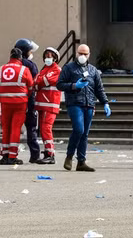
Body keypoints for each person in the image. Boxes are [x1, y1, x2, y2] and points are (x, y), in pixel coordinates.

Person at [56, 44, 110, 172]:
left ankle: (81, 162)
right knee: (79, 129)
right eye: (80, 53)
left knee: (84, 134)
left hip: (89, 104)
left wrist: (105, 102)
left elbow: (99, 89)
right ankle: (69, 156)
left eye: (85, 54)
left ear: (89, 55)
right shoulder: (69, 68)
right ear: (76, 53)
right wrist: (75, 85)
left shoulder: (93, 70)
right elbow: (59, 84)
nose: (83, 56)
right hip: (75, 103)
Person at [0, 47, 34, 165]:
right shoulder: (24, 69)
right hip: (20, 103)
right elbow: (31, 86)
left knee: (6, 128)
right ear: (20, 58)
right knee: (15, 129)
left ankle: (5, 155)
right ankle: (12, 155)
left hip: (5, 103)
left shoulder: (1, 69)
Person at [14, 39, 42, 163]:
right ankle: (35, 154)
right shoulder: (30, 65)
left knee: (14, 128)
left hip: (14, 99)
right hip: (29, 99)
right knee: (31, 128)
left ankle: (10, 154)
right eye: (30, 51)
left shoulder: (13, 63)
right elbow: (35, 80)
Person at [34, 47, 62, 164]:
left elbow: (42, 81)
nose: (47, 58)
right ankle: (47, 152)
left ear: (55, 58)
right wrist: (38, 81)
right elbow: (36, 81)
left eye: (50, 56)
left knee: (46, 129)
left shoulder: (57, 69)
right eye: (46, 56)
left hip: (50, 104)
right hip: (43, 104)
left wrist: (39, 81)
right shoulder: (44, 69)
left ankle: (50, 154)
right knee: (43, 129)